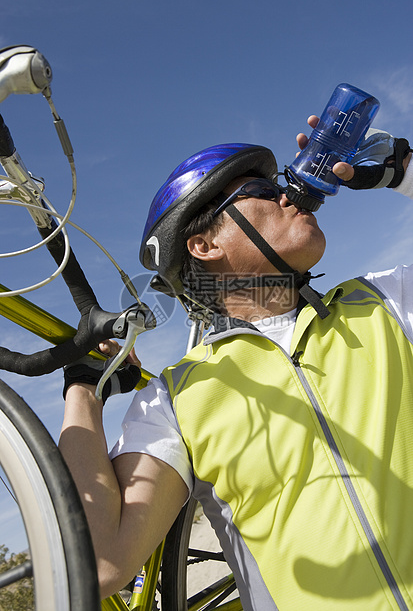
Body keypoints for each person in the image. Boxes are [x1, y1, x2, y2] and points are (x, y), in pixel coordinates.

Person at [59, 115, 413, 610]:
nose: (289, 194)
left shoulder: (387, 301)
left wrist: (405, 174)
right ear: (205, 245)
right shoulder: (175, 399)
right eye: (263, 191)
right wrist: (84, 392)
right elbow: (102, 565)